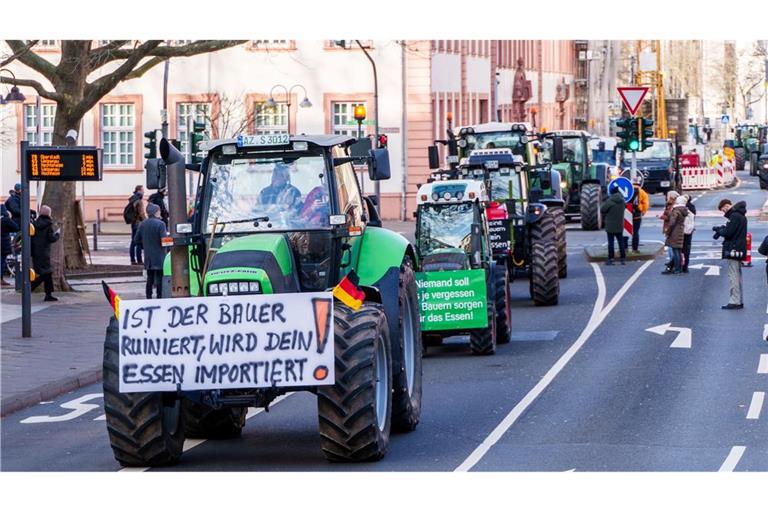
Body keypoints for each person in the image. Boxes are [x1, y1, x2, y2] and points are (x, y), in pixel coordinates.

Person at [713, 199, 747, 310]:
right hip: (738, 249)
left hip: (733, 249)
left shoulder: (735, 216)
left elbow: (729, 233)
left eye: (723, 209)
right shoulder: (741, 215)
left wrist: (720, 230)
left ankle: (735, 301)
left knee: (733, 276)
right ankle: (739, 300)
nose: (724, 212)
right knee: (737, 275)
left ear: (727, 206)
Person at [133, 203, 168, 299]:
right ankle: (159, 296)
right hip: (160, 255)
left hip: (148, 257)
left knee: (150, 278)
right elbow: (164, 241)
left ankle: (149, 296)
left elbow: (136, 240)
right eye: (159, 210)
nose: (160, 212)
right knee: (160, 278)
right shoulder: (161, 224)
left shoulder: (142, 224)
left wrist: (144, 246)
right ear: (156, 212)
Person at [30, 205, 60, 301]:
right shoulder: (48, 224)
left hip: (36, 252)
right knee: (46, 273)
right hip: (44, 252)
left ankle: (48, 294)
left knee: (47, 273)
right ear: (49, 214)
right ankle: (30, 287)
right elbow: (51, 238)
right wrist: (57, 234)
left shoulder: (35, 223)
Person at [662, 195, 689, 275]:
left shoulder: (676, 211)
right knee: (678, 251)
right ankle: (678, 268)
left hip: (675, 232)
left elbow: (672, 223)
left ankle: (677, 269)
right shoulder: (683, 210)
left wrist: (668, 232)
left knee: (675, 251)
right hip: (680, 231)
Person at [600, 185, 626, 265]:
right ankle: (623, 259)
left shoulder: (610, 201)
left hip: (610, 225)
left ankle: (611, 259)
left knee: (611, 243)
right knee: (621, 242)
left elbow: (602, 209)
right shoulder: (622, 201)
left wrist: (604, 201)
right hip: (619, 224)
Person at [659, 190, 680, 271]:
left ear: (671, 197)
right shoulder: (670, 205)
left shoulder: (672, 206)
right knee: (671, 247)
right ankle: (672, 264)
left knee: (671, 247)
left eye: (668, 196)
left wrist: (662, 217)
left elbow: (670, 218)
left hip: (671, 229)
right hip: (670, 228)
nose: (666, 198)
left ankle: (672, 264)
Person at [127, 185, 145, 265]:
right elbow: (141, 213)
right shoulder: (139, 201)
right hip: (138, 223)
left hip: (133, 222)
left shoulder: (133, 199)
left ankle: (132, 259)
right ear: (139, 191)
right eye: (142, 190)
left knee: (133, 241)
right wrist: (146, 221)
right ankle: (139, 260)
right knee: (138, 242)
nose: (144, 192)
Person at [1, 204, 19, 286]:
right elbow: (16, 227)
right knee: (2, 261)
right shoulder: (6, 219)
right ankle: (0, 279)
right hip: (3, 243)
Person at [630, 177, 649, 253]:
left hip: (627, 214)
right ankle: (635, 249)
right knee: (635, 232)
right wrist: (643, 212)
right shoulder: (642, 192)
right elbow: (646, 204)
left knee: (625, 232)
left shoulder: (628, 191)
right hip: (637, 214)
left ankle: (624, 248)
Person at [681, 194, 697, 273]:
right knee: (687, 248)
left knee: (679, 249)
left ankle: (679, 265)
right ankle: (685, 266)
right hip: (690, 230)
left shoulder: (682, 207)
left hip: (682, 230)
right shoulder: (692, 207)